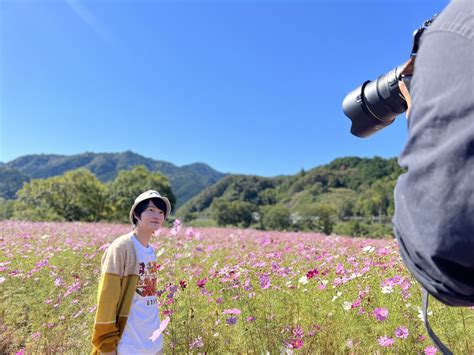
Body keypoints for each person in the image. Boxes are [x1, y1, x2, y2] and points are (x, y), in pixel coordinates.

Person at [91, 190, 172, 355]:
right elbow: (106, 300)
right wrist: (107, 347)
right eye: (150, 210)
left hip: (153, 341)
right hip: (128, 345)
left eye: (161, 212)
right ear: (136, 213)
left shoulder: (151, 251)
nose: (157, 215)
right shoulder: (122, 247)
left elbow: (147, 298)